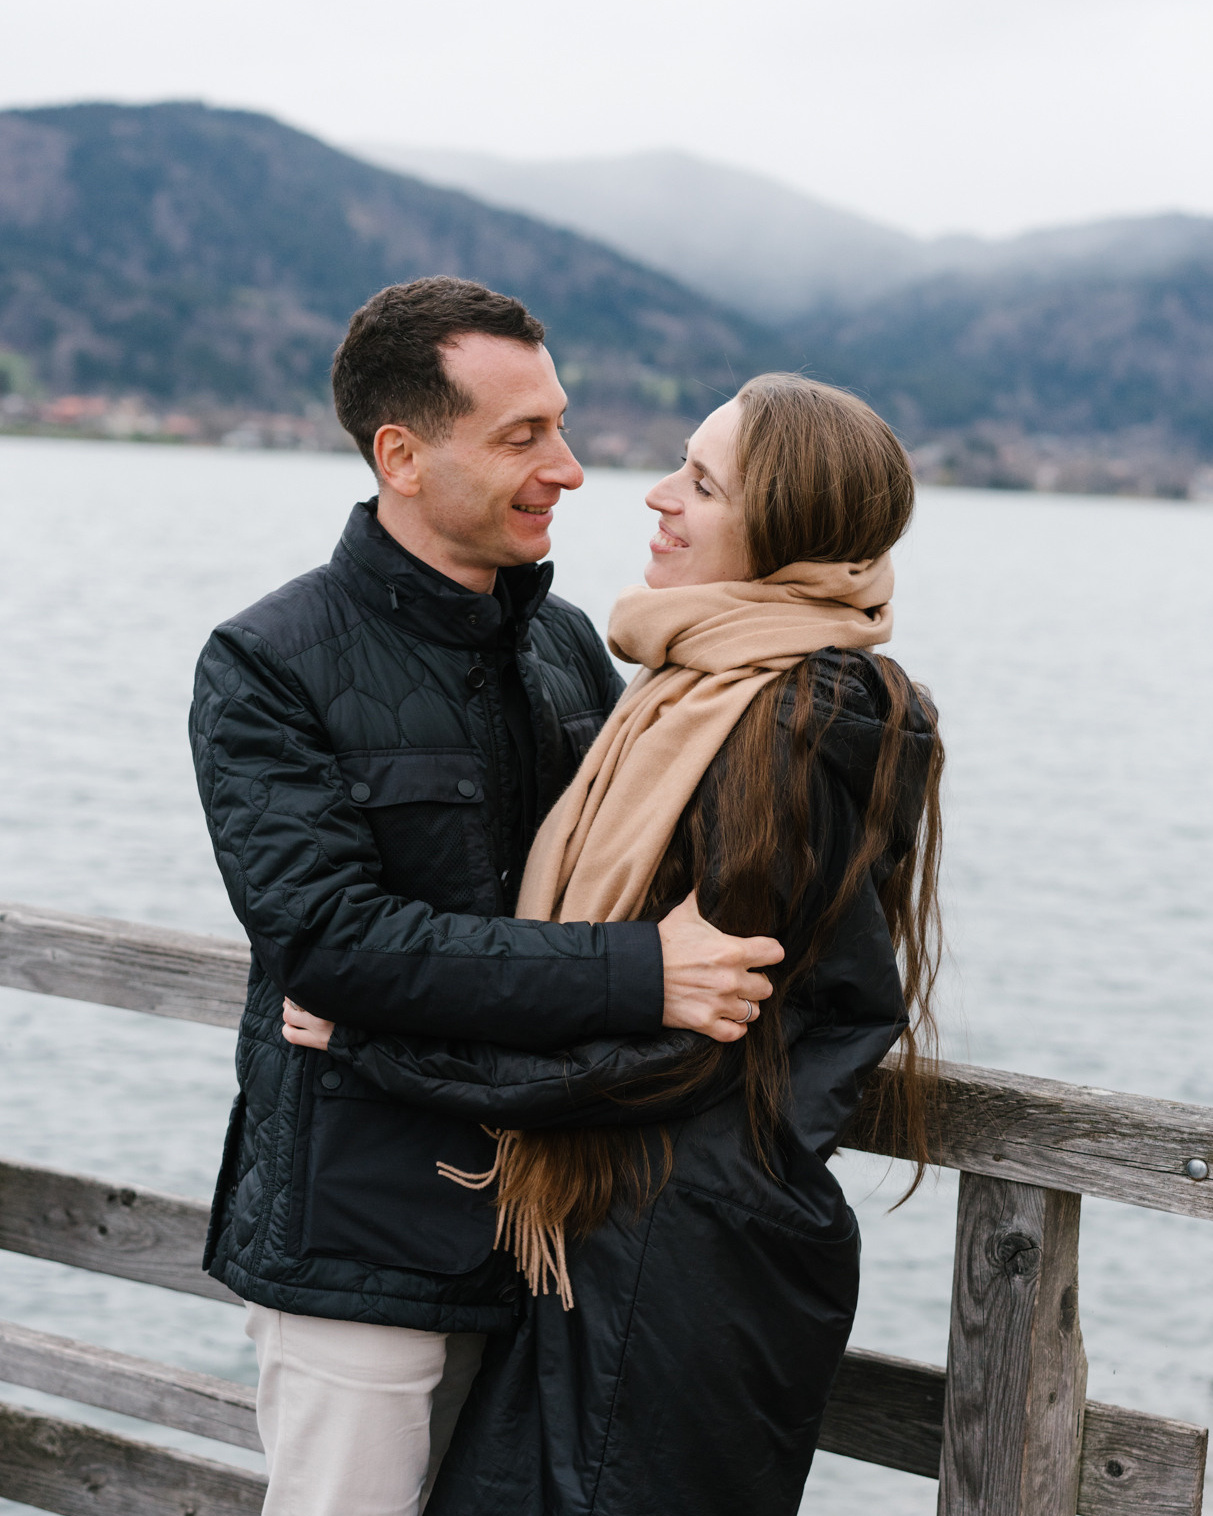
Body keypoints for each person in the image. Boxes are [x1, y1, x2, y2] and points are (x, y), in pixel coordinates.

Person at [282, 372, 945, 1515]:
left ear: (778, 524)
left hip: (680, 1256)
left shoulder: (800, 714)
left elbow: (688, 1044)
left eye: (700, 481)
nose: (655, 497)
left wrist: (384, 1047)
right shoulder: (698, 683)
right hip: (617, 1231)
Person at [188, 277, 784, 1516]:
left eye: (560, 426)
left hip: (558, 1233)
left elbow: (669, 876)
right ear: (400, 455)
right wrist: (642, 973)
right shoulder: (266, 662)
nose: (569, 468)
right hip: (361, 1244)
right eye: (522, 436)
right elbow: (332, 943)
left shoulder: (566, 644)